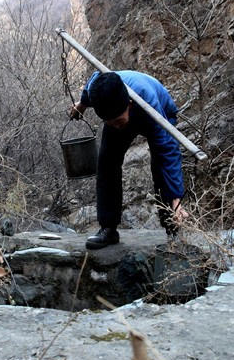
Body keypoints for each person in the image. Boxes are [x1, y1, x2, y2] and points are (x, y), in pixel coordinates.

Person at [69, 70, 189, 249]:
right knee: (107, 162)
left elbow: (168, 152)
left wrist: (176, 198)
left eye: (117, 121)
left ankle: (173, 228)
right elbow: (90, 86)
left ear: (130, 104)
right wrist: (82, 104)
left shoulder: (150, 104)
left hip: (160, 110)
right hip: (120, 109)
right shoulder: (99, 89)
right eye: (109, 122)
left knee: (160, 167)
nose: (116, 126)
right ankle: (108, 229)